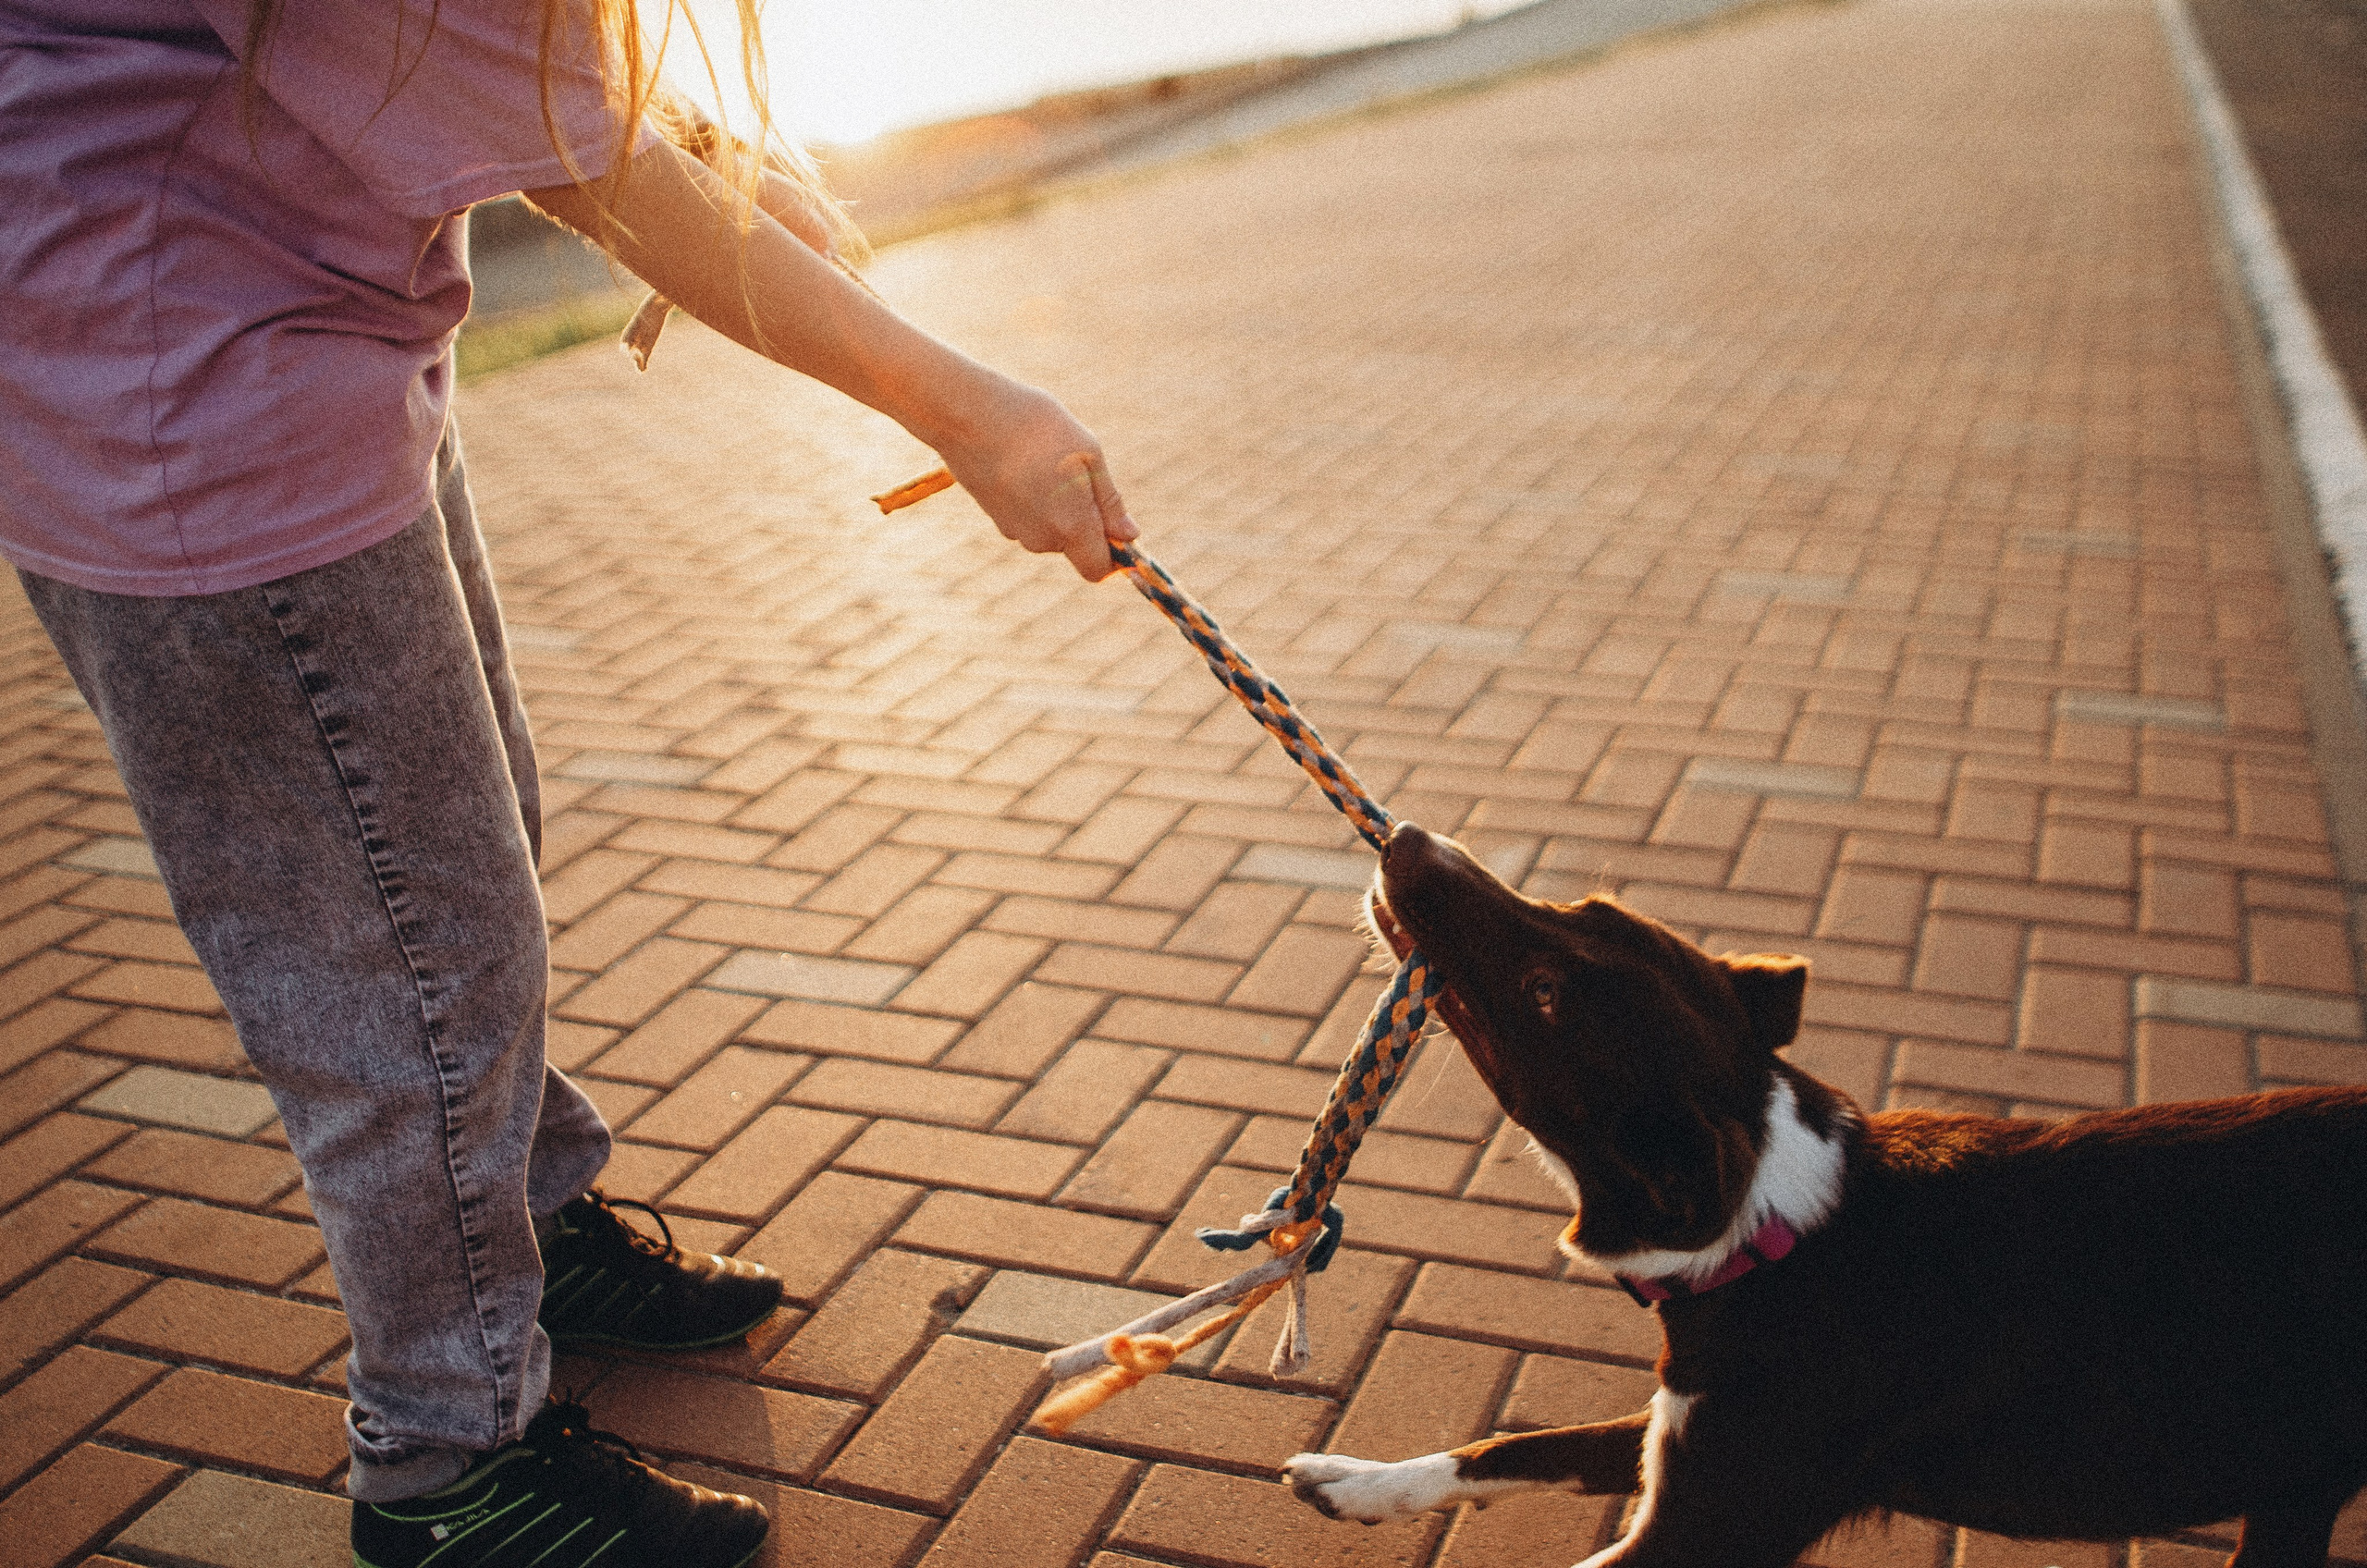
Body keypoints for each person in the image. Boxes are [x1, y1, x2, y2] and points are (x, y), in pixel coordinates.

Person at [0, 2, 1136, 1563]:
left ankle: (523, 1219)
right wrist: (968, 407)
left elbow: (532, 90)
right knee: (409, 967)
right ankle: (447, 1462)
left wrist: (718, 164)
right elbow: (596, 171)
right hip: (195, 403)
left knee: (465, 869)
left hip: (289, 332)